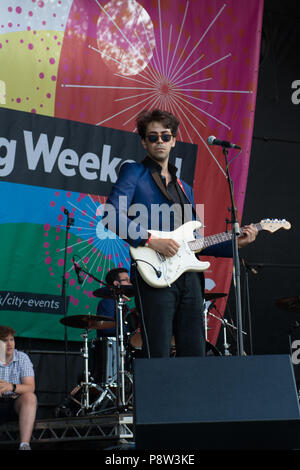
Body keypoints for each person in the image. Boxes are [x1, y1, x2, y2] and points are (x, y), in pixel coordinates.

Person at [103, 109, 257, 358]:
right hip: (154, 273)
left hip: (189, 279)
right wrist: (153, 241)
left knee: (194, 351)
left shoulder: (184, 187)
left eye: (165, 136)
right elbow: (111, 215)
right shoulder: (134, 173)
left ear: (174, 140)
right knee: (158, 352)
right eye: (153, 137)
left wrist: (235, 244)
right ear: (144, 141)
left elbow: (195, 243)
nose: (160, 142)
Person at [0, 325, 37, 450]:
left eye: (11, 339)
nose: (10, 344)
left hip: (16, 404)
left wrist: (11, 386)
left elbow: (30, 387)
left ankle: (24, 445)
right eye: (5, 341)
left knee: (30, 397)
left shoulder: (22, 357)